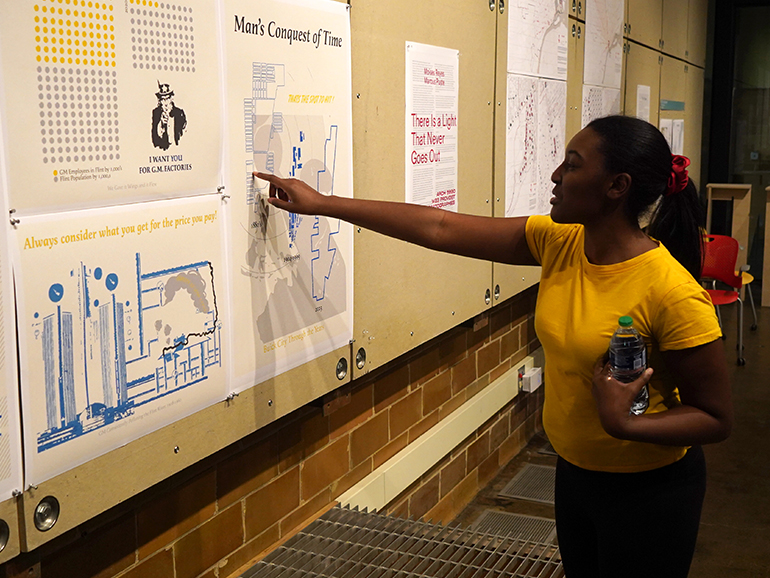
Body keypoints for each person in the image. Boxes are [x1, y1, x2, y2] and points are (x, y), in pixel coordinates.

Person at [255, 115, 732, 578]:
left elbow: (714, 417)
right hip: (575, 475)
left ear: (617, 186)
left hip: (649, 493)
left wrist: (622, 424)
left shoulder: (672, 292)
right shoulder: (560, 242)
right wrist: (324, 204)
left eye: (572, 164)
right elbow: (441, 228)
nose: (555, 175)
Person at [152, 82, 187, 151]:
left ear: (171, 98)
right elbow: (154, 136)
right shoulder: (156, 113)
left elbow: (184, 134)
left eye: (167, 99)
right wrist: (161, 125)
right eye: (163, 99)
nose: (165, 103)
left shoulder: (179, 113)